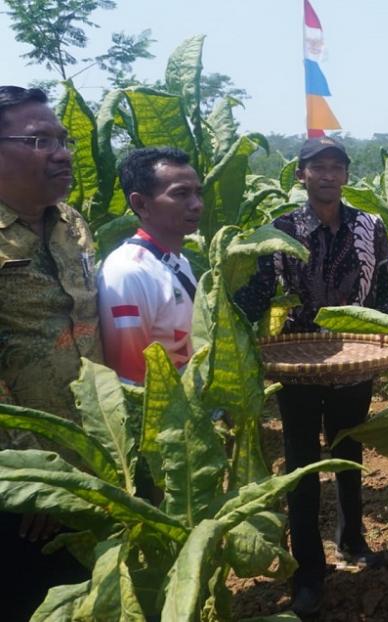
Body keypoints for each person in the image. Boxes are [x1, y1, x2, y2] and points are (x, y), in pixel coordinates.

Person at [235, 135, 388, 617]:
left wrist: (387, 338)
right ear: (301, 175)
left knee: (348, 453)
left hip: (356, 361)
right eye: (317, 167)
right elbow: (258, 292)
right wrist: (230, 327)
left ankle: (353, 542)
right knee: (302, 465)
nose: (327, 175)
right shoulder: (281, 230)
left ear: (346, 175)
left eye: (336, 167)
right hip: (298, 363)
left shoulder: (371, 227)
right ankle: (308, 568)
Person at [0, 85, 98, 620]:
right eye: (40, 141)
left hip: (94, 459)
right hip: (23, 484)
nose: (62, 152)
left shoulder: (73, 224)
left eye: (62, 140)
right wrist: (36, 473)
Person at [98, 147, 203, 384]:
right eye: (181, 194)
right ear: (141, 204)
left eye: (198, 193)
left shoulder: (180, 261)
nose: (196, 204)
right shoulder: (128, 271)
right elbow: (130, 376)